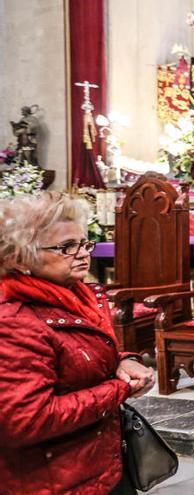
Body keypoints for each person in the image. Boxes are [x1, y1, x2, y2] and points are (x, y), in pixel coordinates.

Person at [0, 192, 155, 495]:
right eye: (66, 247)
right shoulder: (14, 321)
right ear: (19, 257)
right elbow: (27, 420)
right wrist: (119, 389)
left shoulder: (75, 295)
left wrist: (124, 360)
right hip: (53, 480)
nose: (83, 254)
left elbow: (78, 355)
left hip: (97, 464)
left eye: (84, 243)